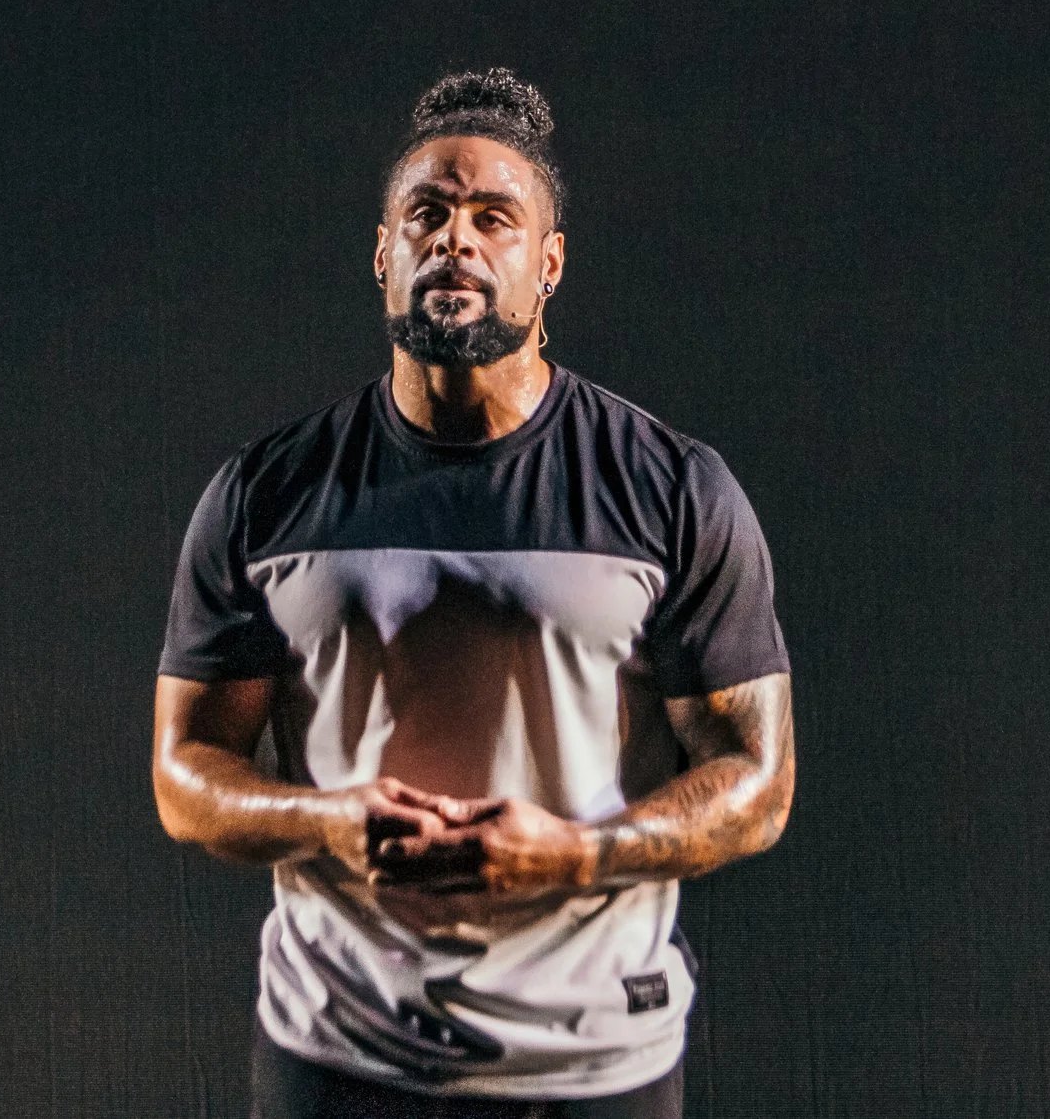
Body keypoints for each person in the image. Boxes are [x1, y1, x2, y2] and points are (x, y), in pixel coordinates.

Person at [152, 68, 795, 1118]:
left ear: (546, 267)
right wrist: (326, 820)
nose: (456, 239)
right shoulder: (266, 491)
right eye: (428, 213)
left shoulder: (670, 486)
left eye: (494, 217)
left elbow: (758, 781)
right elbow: (185, 773)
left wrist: (578, 850)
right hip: (338, 1055)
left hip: (594, 1065)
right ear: (381, 253)